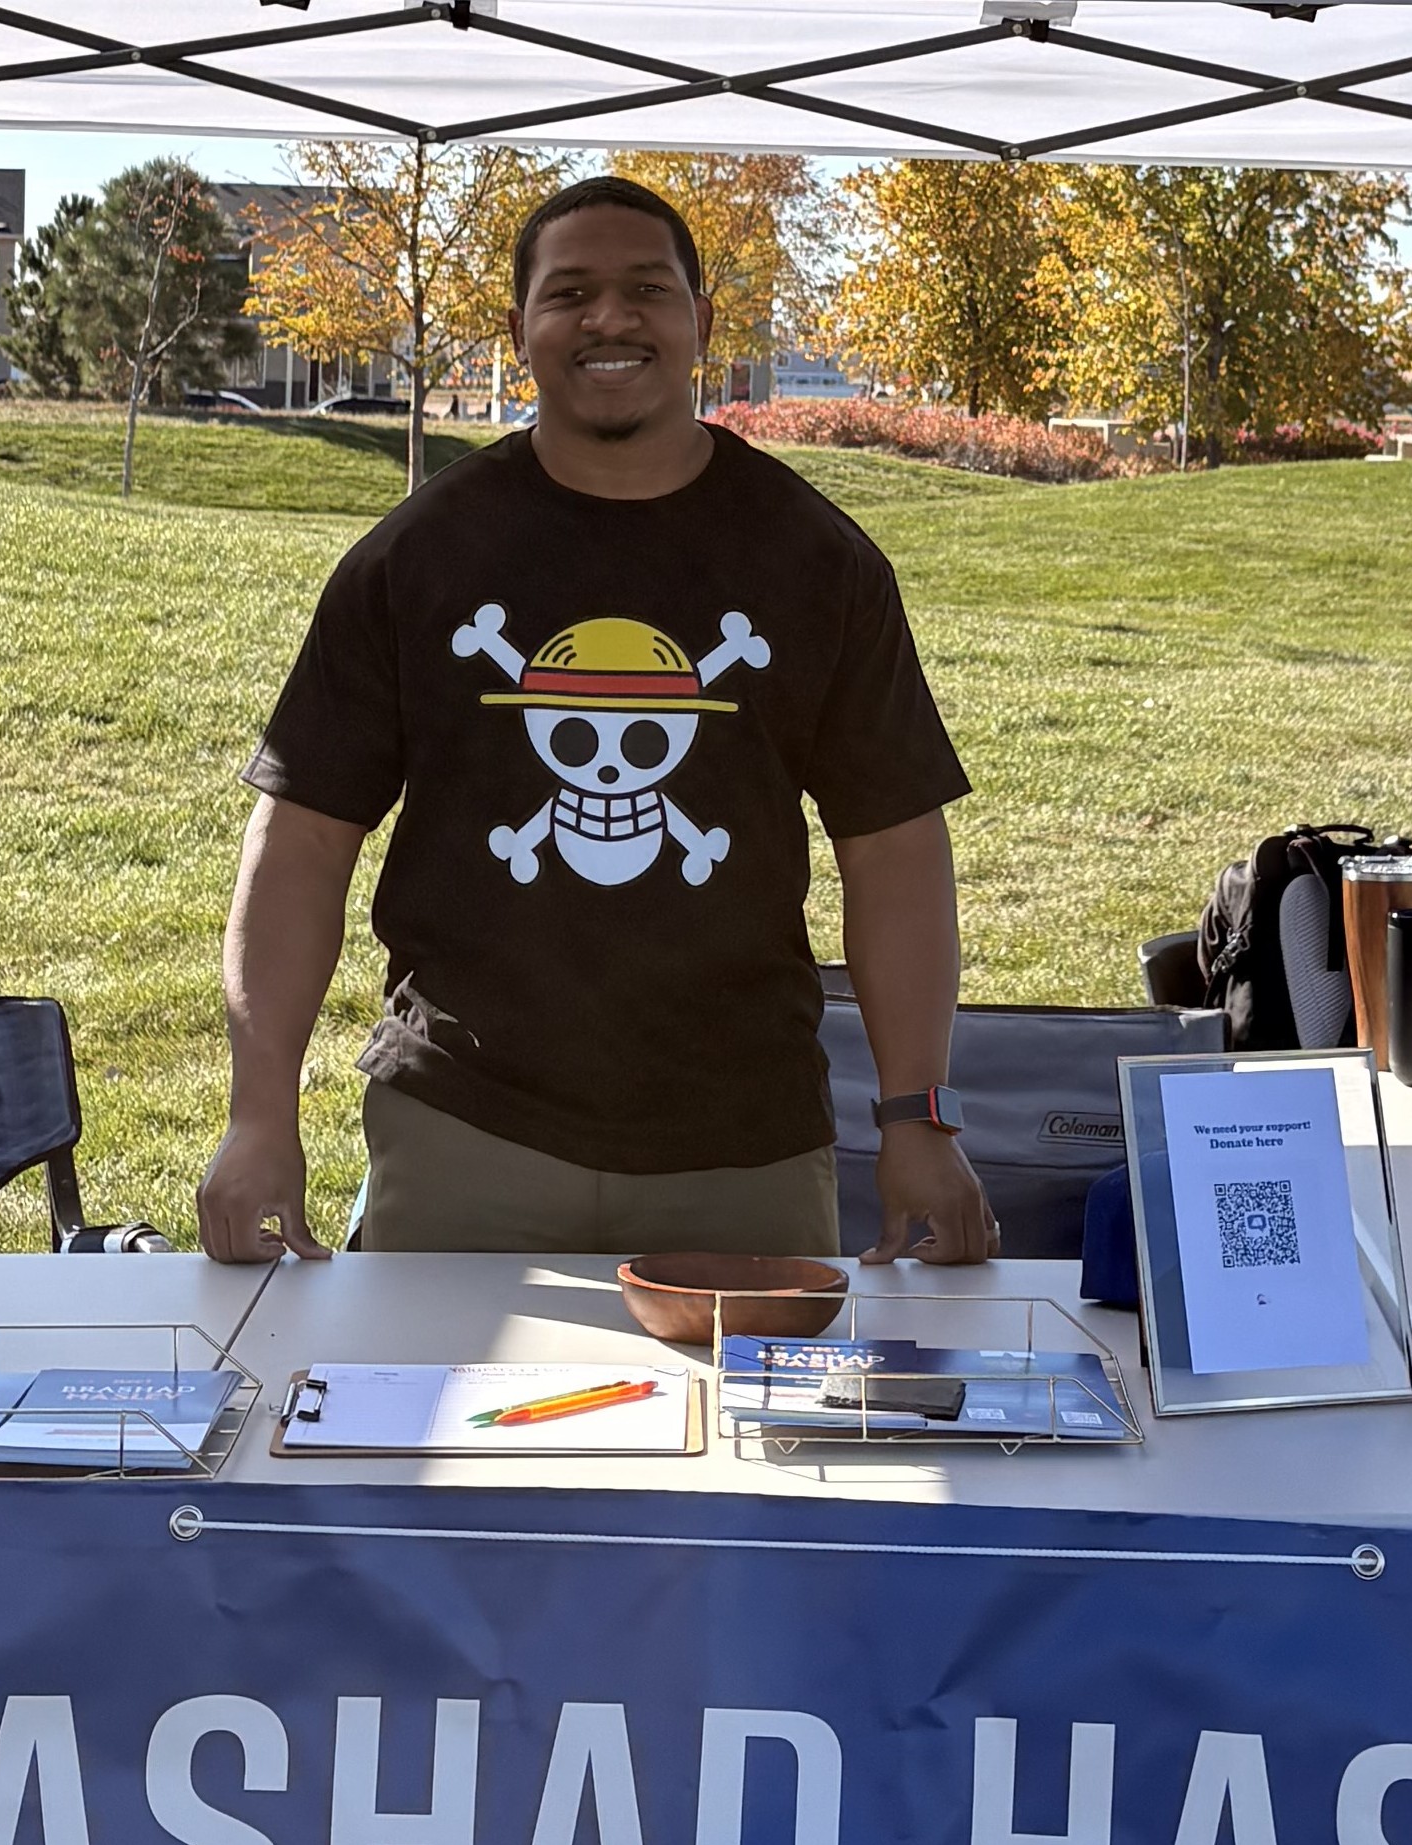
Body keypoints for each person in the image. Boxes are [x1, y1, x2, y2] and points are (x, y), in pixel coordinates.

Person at [198, 175, 994, 1266]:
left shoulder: (817, 563)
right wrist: (258, 1119)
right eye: (569, 292)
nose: (608, 318)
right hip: (465, 1136)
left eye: (646, 290)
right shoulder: (416, 559)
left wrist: (919, 1119)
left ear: (703, 324)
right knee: (430, 1439)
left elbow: (897, 854)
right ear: (518, 327)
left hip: (744, 1153)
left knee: (759, 1442)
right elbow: (300, 843)